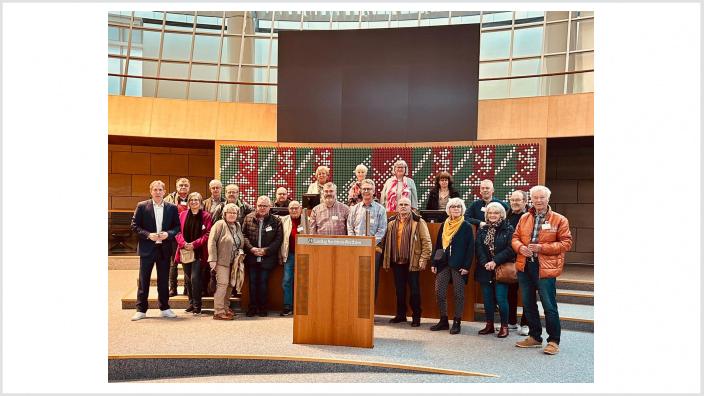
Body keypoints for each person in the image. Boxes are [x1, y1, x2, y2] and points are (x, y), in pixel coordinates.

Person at [512, 185, 572, 355]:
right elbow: (515, 238)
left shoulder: (560, 220)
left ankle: (553, 340)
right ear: (531, 199)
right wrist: (520, 248)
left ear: (548, 199)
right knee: (528, 304)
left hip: (545, 268)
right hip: (525, 266)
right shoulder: (524, 218)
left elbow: (566, 243)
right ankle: (535, 337)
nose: (538, 201)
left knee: (549, 306)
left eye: (542, 197)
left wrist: (541, 248)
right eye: (535, 197)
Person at [130, 180, 180, 321]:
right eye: (155, 190)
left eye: (160, 190)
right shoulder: (142, 206)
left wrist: (168, 234)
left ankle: (164, 308)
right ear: (151, 191)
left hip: (164, 249)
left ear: (164, 192)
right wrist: (147, 235)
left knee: (163, 280)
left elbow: (177, 226)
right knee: (144, 280)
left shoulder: (172, 208)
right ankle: (141, 309)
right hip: (147, 248)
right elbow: (134, 225)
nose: (158, 192)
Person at [382, 197, 432, 327]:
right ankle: (401, 315)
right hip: (396, 262)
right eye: (401, 204)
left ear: (411, 207)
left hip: (412, 262)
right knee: (399, 290)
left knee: (414, 291)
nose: (403, 207)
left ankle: (416, 316)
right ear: (397, 207)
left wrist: (424, 258)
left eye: (406, 204)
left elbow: (426, 241)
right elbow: (386, 242)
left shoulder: (418, 221)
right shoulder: (391, 222)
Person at [429, 197, 474, 334]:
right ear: (448, 209)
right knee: (439, 291)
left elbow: (470, 248)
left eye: (458, 207)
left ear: (462, 210)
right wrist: (434, 262)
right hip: (443, 263)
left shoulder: (466, 226)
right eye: (453, 206)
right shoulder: (444, 225)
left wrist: (466, 266)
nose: (455, 209)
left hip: (459, 265)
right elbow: (438, 245)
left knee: (458, 293)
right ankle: (443, 320)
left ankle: (457, 321)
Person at [475, 202, 516, 338]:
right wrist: (485, 263)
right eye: (490, 213)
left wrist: (495, 261)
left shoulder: (509, 228)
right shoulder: (482, 229)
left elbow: (511, 249)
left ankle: (504, 326)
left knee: (501, 298)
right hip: (485, 268)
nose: (493, 215)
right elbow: (479, 248)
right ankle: (489, 325)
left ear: (501, 215)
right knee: (487, 299)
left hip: (501, 268)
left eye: (496, 213)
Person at [242, 196, 283, 317]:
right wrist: (251, 249)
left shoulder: (276, 221)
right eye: (260, 205)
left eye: (265, 206)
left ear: (270, 207)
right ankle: (252, 307)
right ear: (256, 205)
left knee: (263, 283)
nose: (262, 208)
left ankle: (262, 308)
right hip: (252, 256)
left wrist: (266, 250)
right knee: (253, 283)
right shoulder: (248, 218)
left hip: (267, 258)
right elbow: (243, 235)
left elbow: (278, 239)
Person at [347, 179, 387, 300]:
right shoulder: (354, 209)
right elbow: (350, 226)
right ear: (360, 191)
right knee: (355, 278)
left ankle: (370, 311)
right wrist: (354, 242)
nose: (366, 191)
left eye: (369, 189)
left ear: (374, 191)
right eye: (364, 189)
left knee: (371, 280)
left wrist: (370, 243)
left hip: (373, 250)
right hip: (356, 249)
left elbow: (382, 229)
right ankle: (354, 308)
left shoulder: (380, 209)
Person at [174, 192, 213, 315]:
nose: (194, 202)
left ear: (200, 202)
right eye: (191, 200)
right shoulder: (182, 215)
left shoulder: (206, 216)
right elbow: (177, 231)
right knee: (188, 279)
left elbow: (208, 234)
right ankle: (191, 303)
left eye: (196, 200)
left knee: (195, 278)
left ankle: (197, 305)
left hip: (199, 252)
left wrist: (194, 244)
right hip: (185, 250)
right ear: (189, 202)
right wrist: (183, 243)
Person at [207, 203, 245, 320]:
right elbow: (211, 241)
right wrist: (212, 259)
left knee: (230, 285)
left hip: (234, 262)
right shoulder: (219, 224)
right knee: (222, 284)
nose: (232, 215)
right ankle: (218, 311)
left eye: (234, 213)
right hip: (221, 261)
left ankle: (225, 308)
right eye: (230, 213)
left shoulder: (237, 225)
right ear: (224, 214)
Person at [507, 189, 530, 335]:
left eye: (518, 200)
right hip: (510, 260)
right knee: (511, 293)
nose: (515, 203)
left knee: (527, 294)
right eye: (512, 200)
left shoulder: (530, 216)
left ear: (525, 202)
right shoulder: (507, 215)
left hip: (527, 260)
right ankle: (512, 322)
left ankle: (526, 324)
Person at [278, 200, 306, 316]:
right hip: (289, 255)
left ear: (300, 209)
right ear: (288, 210)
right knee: (287, 281)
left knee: (303, 281)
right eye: (291, 208)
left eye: (296, 208)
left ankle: (302, 306)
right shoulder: (283, 221)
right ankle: (288, 306)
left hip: (304, 255)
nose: (294, 210)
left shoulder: (308, 221)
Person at [165, 177, 191, 297]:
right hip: (173, 236)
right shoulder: (168, 199)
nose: (183, 187)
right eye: (181, 185)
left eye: (186, 185)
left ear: (189, 187)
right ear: (176, 187)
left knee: (187, 262)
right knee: (173, 263)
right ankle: (173, 288)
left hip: (188, 236)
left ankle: (187, 288)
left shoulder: (193, 199)